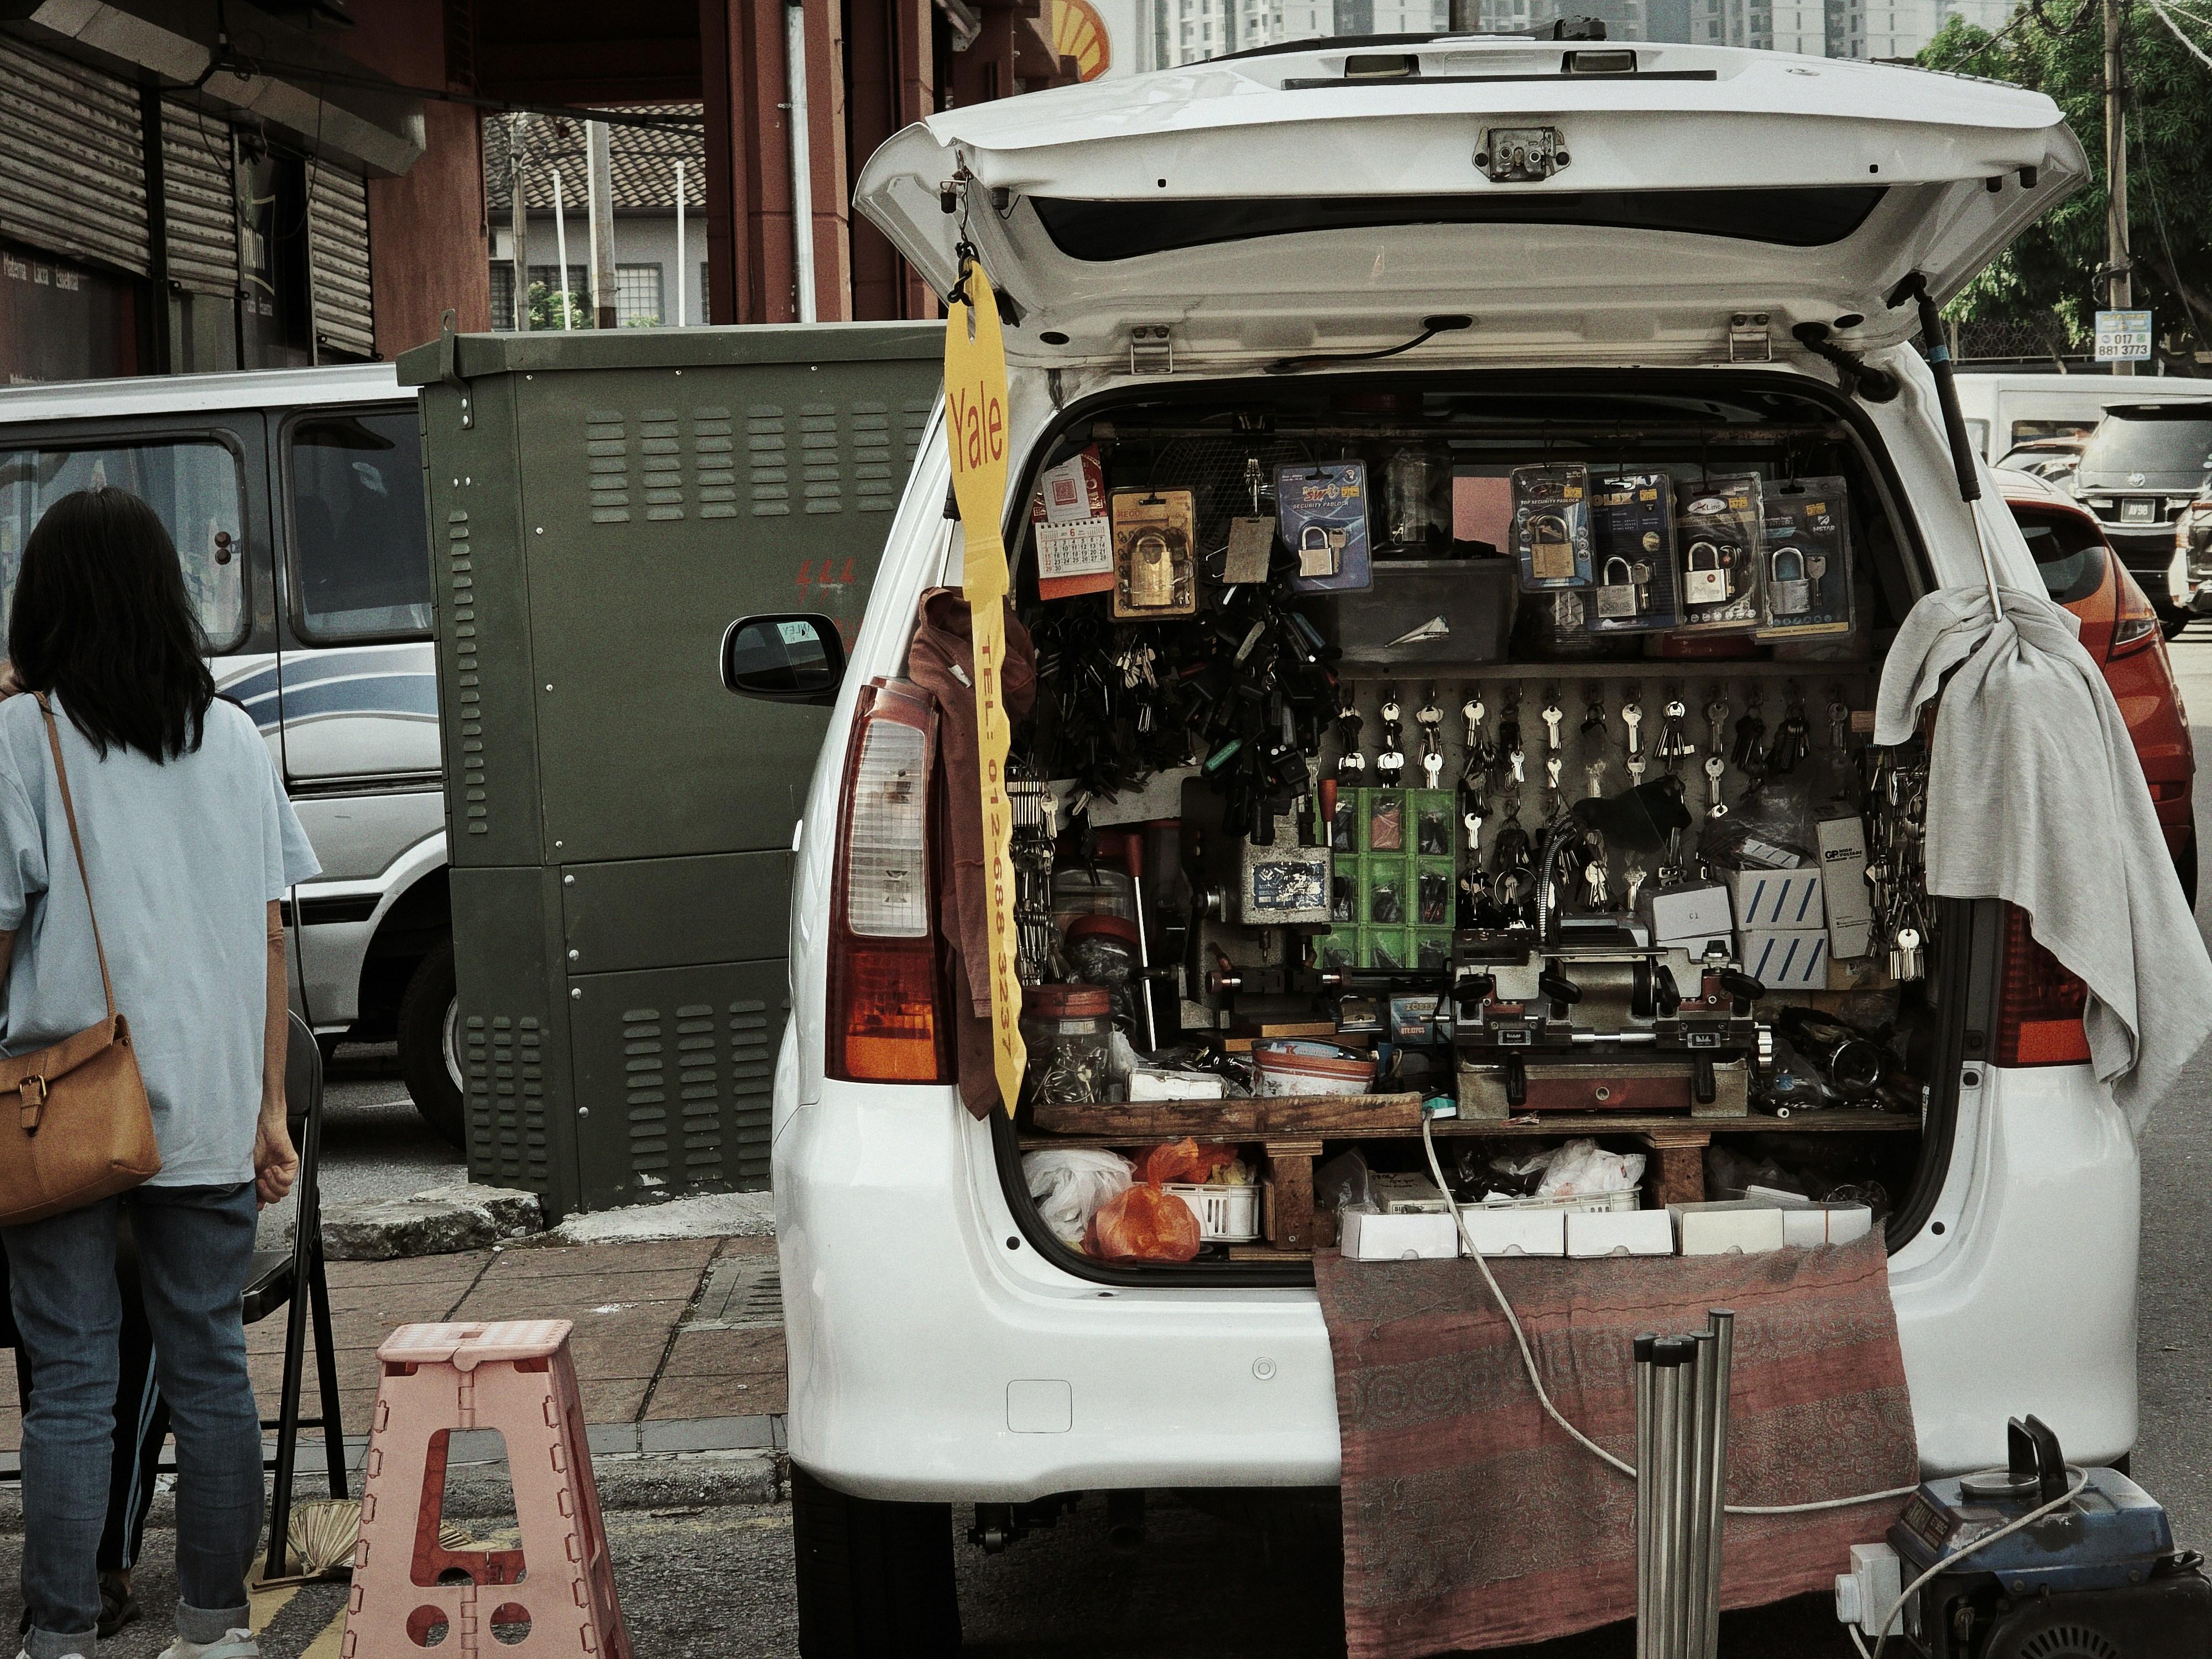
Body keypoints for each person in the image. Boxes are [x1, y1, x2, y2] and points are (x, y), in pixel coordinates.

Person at [0, 488, 319, 1659]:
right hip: (211, 1103)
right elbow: (271, 930)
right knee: (210, 1365)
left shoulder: (24, 737)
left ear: (44, 603)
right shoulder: (232, 738)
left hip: (65, 1107)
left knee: (73, 1378)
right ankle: (216, 1629)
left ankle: (61, 1636)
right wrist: (270, 1107)